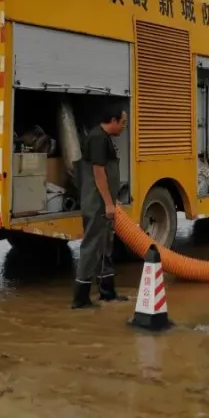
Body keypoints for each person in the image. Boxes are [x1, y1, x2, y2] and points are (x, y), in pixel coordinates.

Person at [71, 102, 130, 309]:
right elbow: (98, 173)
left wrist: (113, 201)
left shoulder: (104, 138)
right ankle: (81, 298)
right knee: (92, 246)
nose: (125, 126)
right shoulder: (97, 138)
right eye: (123, 122)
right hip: (97, 203)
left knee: (105, 244)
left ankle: (107, 292)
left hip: (104, 203)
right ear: (112, 121)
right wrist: (107, 203)